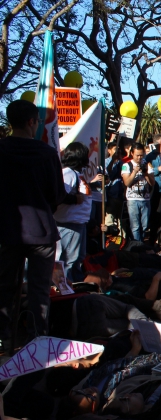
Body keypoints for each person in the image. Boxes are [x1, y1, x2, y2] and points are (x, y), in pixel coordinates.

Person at [0, 99, 66, 350]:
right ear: (30, 122)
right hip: (40, 230)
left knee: (5, 286)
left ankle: (4, 338)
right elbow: (57, 195)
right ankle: (38, 340)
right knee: (39, 290)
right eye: (37, 121)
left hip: (8, 230)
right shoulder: (46, 153)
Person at [54, 142, 92, 282]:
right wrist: (75, 199)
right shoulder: (68, 173)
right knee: (68, 260)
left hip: (77, 224)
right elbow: (59, 195)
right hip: (68, 225)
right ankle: (66, 287)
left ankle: (74, 284)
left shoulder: (75, 173)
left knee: (77, 258)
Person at [122, 143, 155, 242]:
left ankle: (143, 243)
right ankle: (137, 246)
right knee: (135, 226)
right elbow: (127, 182)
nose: (139, 158)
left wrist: (146, 174)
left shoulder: (147, 165)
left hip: (145, 199)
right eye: (137, 155)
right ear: (132, 153)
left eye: (141, 155)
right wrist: (135, 172)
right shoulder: (126, 165)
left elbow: (152, 183)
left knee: (145, 225)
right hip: (132, 199)